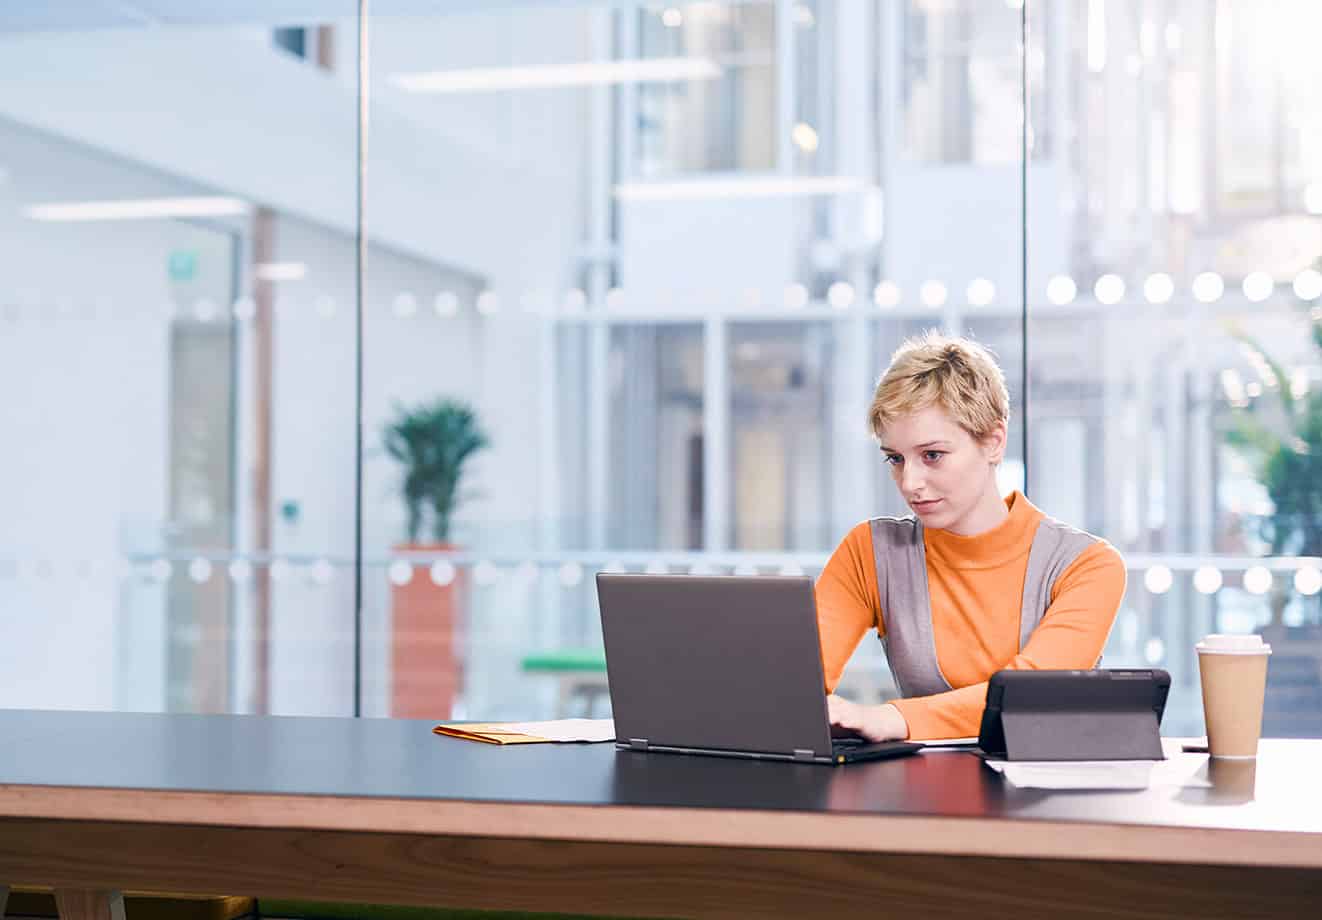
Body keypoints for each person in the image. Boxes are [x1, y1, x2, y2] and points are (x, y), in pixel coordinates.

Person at [817, 331, 1126, 741]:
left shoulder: (1087, 565)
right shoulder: (871, 552)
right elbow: (792, 687)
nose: (910, 482)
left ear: (994, 442)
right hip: (919, 796)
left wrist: (893, 718)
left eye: (932, 456)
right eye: (896, 458)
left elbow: (1030, 696)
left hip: (1045, 798)